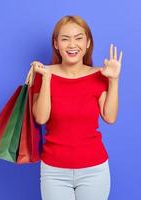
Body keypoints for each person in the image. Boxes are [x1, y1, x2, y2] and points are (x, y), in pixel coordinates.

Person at [30, 15, 122, 200]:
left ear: (88, 43)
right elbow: (41, 118)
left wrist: (113, 80)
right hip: (54, 171)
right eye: (65, 39)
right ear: (56, 44)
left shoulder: (100, 75)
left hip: (94, 170)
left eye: (79, 38)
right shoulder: (42, 74)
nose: (72, 44)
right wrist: (47, 78)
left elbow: (110, 118)